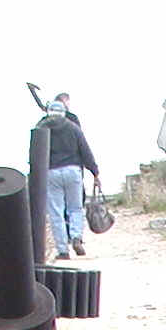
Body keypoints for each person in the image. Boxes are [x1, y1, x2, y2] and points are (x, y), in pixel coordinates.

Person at [39, 100, 99, 260]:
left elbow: (35, 153)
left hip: (51, 172)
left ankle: (62, 250)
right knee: (75, 208)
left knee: (56, 212)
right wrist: (95, 171)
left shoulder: (41, 127)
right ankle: (76, 237)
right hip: (73, 171)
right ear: (64, 112)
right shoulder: (73, 128)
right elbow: (85, 150)